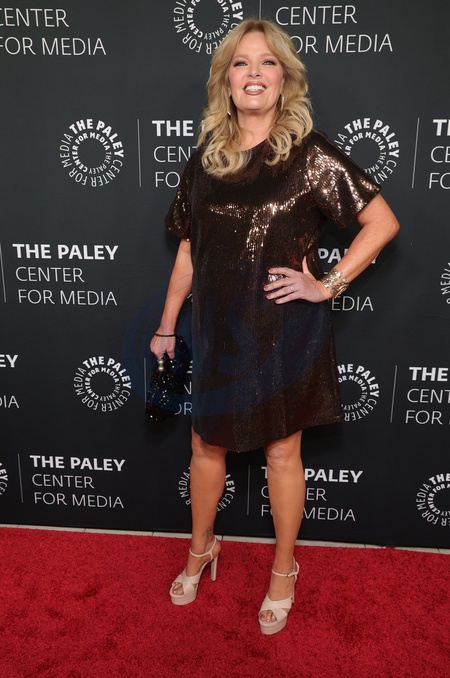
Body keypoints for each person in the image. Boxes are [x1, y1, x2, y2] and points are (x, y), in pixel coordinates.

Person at [150, 18, 399, 635]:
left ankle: (284, 569)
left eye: (267, 62)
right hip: (218, 333)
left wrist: (328, 284)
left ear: (284, 79)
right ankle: (201, 549)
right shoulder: (205, 162)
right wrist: (166, 325)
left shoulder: (309, 154)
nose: (254, 73)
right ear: (226, 80)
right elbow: (189, 252)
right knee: (204, 445)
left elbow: (382, 223)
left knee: (282, 451)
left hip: (287, 331)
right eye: (241, 63)